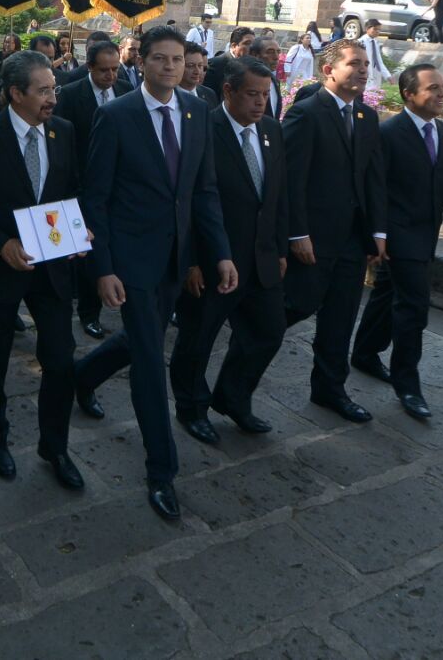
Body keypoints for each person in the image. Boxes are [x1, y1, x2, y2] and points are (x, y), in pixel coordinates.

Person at [73, 26, 235, 520]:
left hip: (177, 258)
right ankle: (161, 470)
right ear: (140, 62)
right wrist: (103, 269)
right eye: (160, 59)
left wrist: (220, 254)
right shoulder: (116, 116)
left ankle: (81, 376)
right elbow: (94, 200)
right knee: (148, 362)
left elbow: (203, 191)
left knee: (141, 340)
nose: (171, 67)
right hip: (131, 260)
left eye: (178, 60)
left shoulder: (197, 113)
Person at [0, 51, 86, 489]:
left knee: (61, 360)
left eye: (54, 89)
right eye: (43, 90)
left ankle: (55, 445)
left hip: (52, 269)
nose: (52, 98)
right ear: (15, 94)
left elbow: (71, 191)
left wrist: (79, 233)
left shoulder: (62, 132)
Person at [350, 64, 443, 418]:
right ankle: (407, 384)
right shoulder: (389, 133)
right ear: (409, 94)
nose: (442, 94)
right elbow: (375, 188)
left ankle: (364, 352)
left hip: (425, 233)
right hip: (397, 234)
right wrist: (379, 235)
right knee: (414, 307)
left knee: (387, 293)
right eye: (433, 89)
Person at [170, 55, 289, 439]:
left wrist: (280, 248)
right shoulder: (202, 129)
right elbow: (187, 201)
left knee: (268, 332)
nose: (259, 103)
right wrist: (190, 262)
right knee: (198, 339)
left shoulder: (271, 130)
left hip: (261, 260)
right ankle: (190, 407)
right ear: (228, 91)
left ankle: (234, 397)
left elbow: (276, 195)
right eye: (251, 94)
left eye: (265, 95)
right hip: (211, 261)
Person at [281, 39, 387, 424]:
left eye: (365, 65)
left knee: (341, 318)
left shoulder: (367, 117)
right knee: (294, 307)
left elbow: (373, 178)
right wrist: (296, 234)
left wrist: (378, 231)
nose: (363, 70)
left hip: (351, 240)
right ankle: (242, 365)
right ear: (329, 70)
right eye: (354, 64)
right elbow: (289, 182)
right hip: (313, 238)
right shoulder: (306, 114)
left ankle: (329, 389)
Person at [53, 39, 131, 340]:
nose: (110, 76)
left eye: (115, 69)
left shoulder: (126, 90)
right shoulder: (72, 94)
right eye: (104, 71)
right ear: (90, 67)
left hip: (119, 186)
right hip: (83, 184)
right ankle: (89, 313)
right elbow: (65, 143)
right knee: (89, 250)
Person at [250, 37, 284, 120]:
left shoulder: (274, 81)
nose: (276, 57)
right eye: (270, 52)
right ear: (255, 55)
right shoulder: (246, 82)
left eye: (278, 52)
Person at [361, 18, 391, 91]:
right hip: (365, 74)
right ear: (367, 29)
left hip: (375, 73)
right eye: (375, 29)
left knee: (374, 95)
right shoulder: (361, 42)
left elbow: (379, 61)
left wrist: (388, 76)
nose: (377, 31)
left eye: (379, 30)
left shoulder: (375, 42)